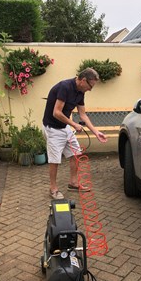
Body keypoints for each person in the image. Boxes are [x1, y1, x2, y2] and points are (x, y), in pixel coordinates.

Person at [42, 67, 107, 199]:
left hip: (64, 127)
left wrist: (96, 132)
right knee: (55, 160)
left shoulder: (80, 92)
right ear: (83, 80)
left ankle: (73, 183)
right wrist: (74, 124)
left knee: (76, 153)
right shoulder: (65, 87)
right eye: (90, 86)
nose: (90, 89)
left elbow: (83, 115)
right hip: (53, 128)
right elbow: (57, 112)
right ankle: (53, 188)